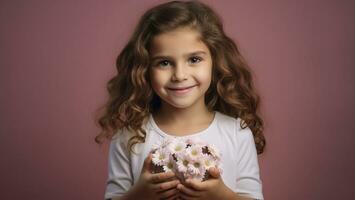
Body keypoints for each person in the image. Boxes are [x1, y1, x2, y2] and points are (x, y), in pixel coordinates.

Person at [95, 1, 266, 199]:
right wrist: (141, 194)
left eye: (194, 59)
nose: (180, 75)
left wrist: (220, 195)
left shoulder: (237, 133)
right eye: (164, 62)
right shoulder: (128, 138)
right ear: (144, 69)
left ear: (215, 61)